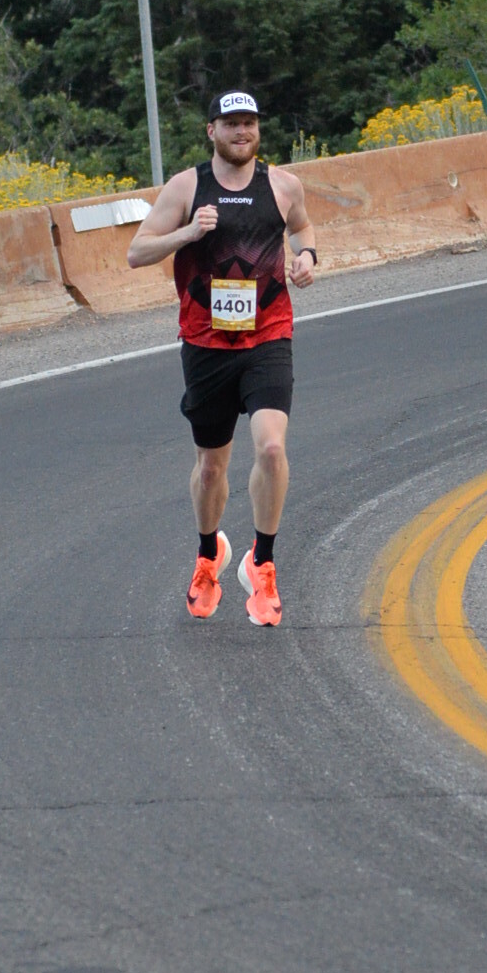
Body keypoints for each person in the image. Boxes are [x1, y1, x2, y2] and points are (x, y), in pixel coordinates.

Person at [126, 88, 318, 625]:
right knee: (211, 469)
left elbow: (302, 227)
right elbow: (136, 252)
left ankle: (263, 562)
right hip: (206, 344)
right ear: (211, 130)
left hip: (268, 337)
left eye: (249, 123)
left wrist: (306, 256)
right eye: (231, 123)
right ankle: (210, 554)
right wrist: (188, 232)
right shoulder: (186, 187)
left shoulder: (283, 185)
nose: (241, 132)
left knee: (272, 448)